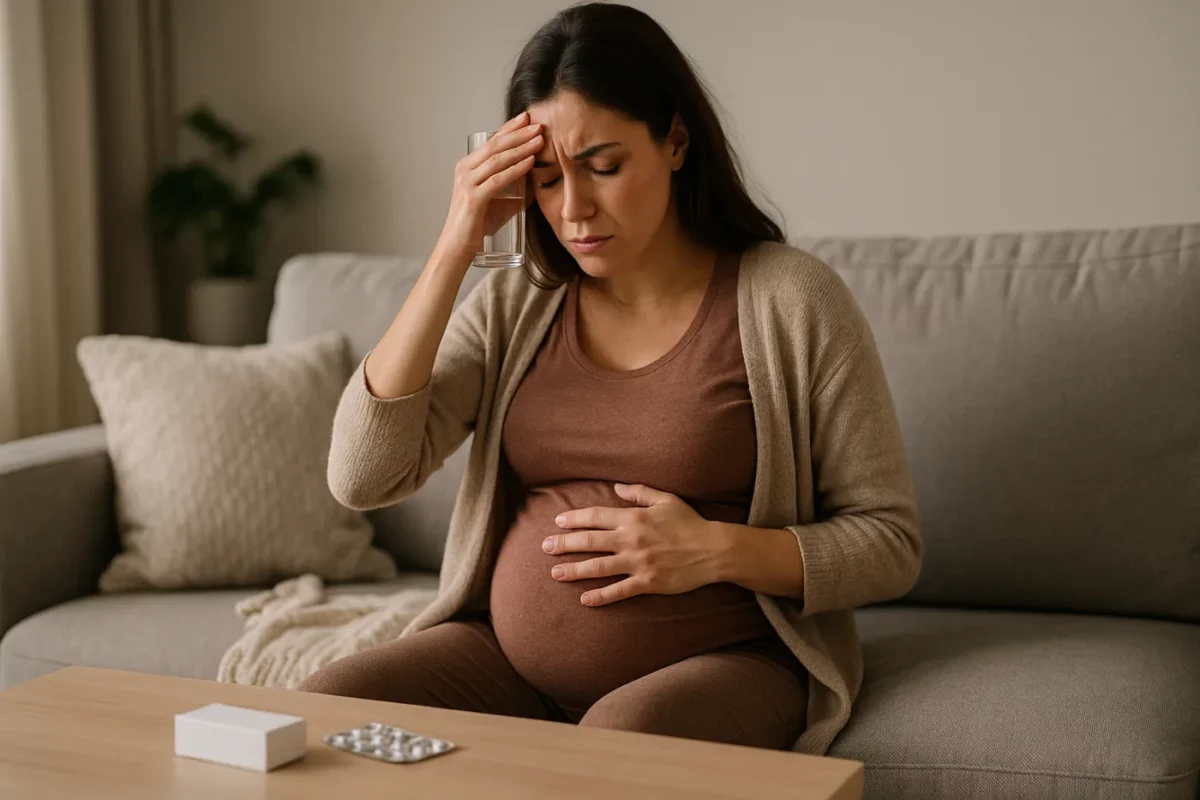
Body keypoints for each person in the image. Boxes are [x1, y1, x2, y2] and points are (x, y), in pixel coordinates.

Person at [300, 2, 921, 755]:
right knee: (328, 708)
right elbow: (362, 476)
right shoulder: (517, 302)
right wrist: (456, 246)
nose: (574, 209)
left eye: (604, 165)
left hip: (727, 664)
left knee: (617, 746)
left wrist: (716, 549)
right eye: (548, 179)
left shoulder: (791, 300)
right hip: (505, 662)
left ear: (676, 141)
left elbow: (888, 542)